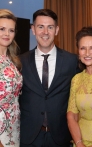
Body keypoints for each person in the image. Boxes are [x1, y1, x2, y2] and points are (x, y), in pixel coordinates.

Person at [19, 9, 80, 147]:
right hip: (29, 138)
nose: (45, 32)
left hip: (60, 138)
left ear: (56, 30)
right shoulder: (20, 62)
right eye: (40, 27)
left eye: (50, 27)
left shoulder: (71, 61)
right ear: (33, 29)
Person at [0, 9, 22, 147]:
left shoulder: (12, 60)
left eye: (11, 30)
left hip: (13, 130)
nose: (7, 34)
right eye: (1, 29)